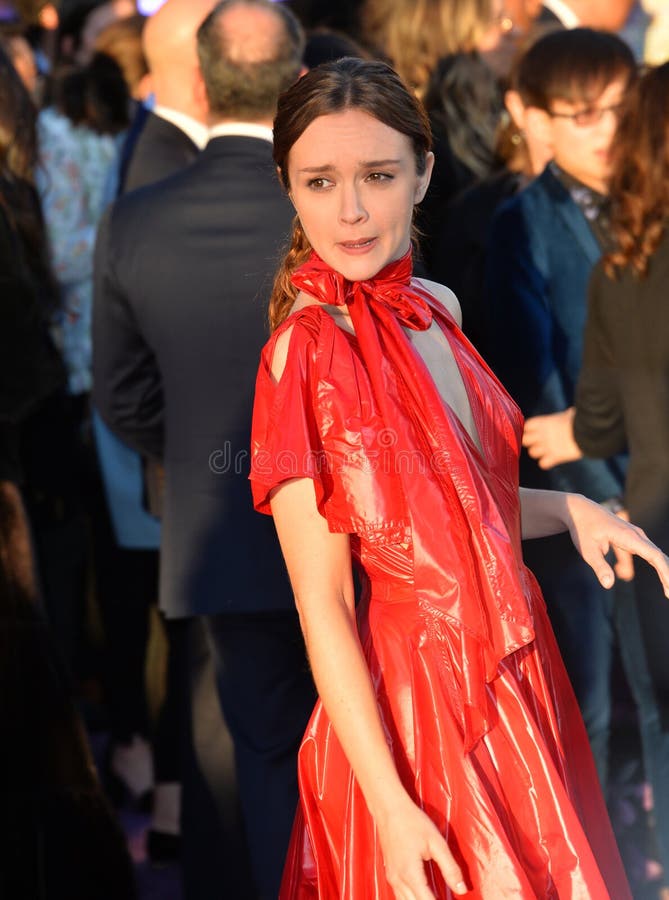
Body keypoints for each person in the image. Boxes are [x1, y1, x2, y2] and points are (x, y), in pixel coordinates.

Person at [248, 55, 669, 899]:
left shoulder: (438, 306)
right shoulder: (302, 352)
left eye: (376, 175)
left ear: (423, 172)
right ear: (288, 188)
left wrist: (572, 508)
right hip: (407, 706)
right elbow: (322, 601)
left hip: (514, 665)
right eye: (319, 181)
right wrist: (390, 805)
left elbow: (448, 515)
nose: (352, 209)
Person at [93, 2, 314, 897]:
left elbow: (121, 394)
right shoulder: (336, 207)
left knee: (237, 764)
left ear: (198, 81)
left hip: (217, 525)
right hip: (342, 527)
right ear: (297, 83)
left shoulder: (137, 219)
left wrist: (195, 455)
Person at [483, 28, 658, 796]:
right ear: (538, 120)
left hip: (652, 485)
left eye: (619, 109)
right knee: (587, 710)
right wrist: (603, 494)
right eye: (584, 114)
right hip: (582, 508)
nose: (607, 131)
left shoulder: (651, 201)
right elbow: (534, 385)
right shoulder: (516, 224)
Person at [523, 61, 669, 891]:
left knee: (659, 733)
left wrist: (563, 430)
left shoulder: (619, 271)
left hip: (652, 536)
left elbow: (604, 420)